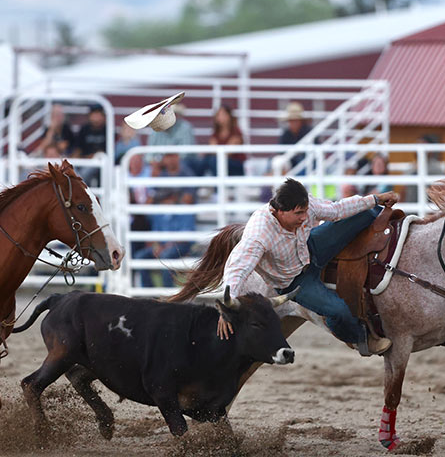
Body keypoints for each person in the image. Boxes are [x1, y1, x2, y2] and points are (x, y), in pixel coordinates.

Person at [219, 177, 399, 356]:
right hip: (295, 280)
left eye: (305, 211)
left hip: (312, 248)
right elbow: (238, 267)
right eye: (298, 213)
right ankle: (361, 339)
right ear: (279, 211)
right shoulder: (259, 233)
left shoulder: (305, 205)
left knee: (367, 212)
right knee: (339, 312)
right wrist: (228, 304)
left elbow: (337, 210)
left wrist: (375, 199)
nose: (305, 217)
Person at [135, 187, 195, 287]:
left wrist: (164, 247)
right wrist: (157, 246)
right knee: (140, 256)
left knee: (165, 256)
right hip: (164, 246)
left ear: (174, 198)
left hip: (181, 247)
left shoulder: (185, 211)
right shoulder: (159, 213)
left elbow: (185, 237)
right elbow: (156, 233)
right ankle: (149, 292)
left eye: (166, 198)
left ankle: (168, 292)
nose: (164, 201)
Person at [195, 104, 246, 176]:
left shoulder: (236, 132)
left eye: (223, 114)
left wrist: (211, 151)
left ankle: (215, 186)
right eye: (218, 115)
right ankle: (195, 184)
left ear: (229, 116)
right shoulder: (216, 133)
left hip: (235, 165)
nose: (220, 117)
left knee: (213, 160)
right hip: (220, 162)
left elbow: (228, 152)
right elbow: (212, 149)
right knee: (203, 161)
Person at [146, 101, 196, 166]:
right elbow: (148, 156)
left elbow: (186, 154)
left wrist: (168, 160)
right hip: (159, 165)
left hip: (181, 165)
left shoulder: (185, 128)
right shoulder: (155, 130)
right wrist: (159, 161)